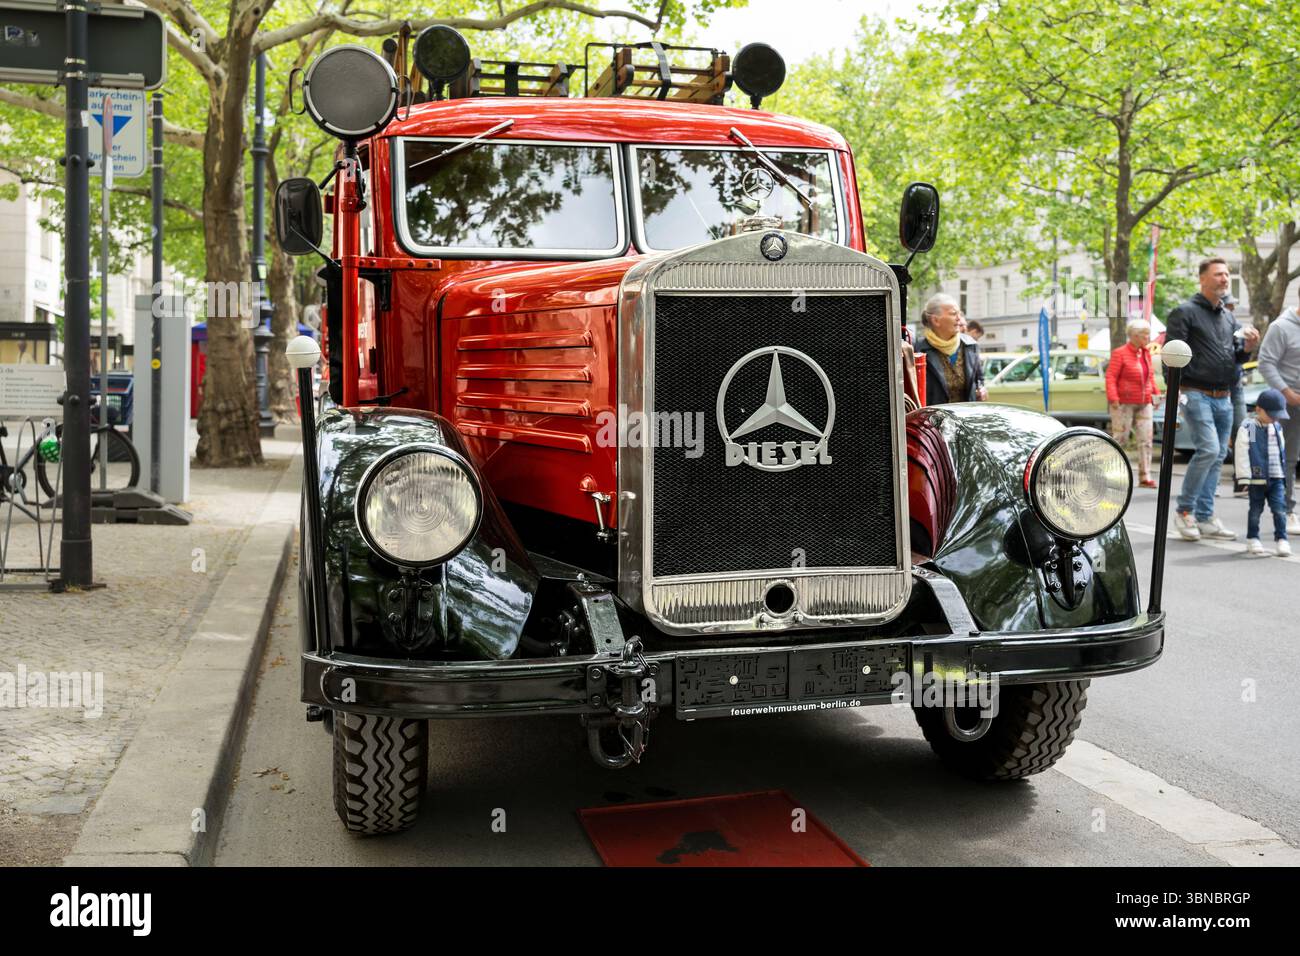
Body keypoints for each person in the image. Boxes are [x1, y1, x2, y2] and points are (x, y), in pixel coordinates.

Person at [1166, 257, 1259, 541]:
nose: (1225, 278)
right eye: (1219, 274)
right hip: (1196, 393)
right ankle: (1184, 511)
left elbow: (1235, 358)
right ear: (1203, 278)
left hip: (1224, 397)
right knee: (1208, 450)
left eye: (1227, 274)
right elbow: (1171, 355)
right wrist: (1175, 392)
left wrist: (1249, 349)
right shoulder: (1184, 313)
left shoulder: (1228, 316)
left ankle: (1206, 517)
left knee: (1218, 455)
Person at [1256, 289, 1300, 533]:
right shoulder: (1281, 327)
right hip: (1290, 403)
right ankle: (1286, 510)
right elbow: (1266, 363)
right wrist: (1286, 392)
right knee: (1288, 459)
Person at [1234, 388, 1291, 557]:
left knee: (1280, 509)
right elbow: (1244, 450)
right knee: (1255, 510)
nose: (1275, 417)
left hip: (1277, 476)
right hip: (1257, 478)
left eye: (1277, 414)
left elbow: (1281, 450)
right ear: (1258, 409)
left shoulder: (1277, 426)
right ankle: (1253, 538)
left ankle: (1282, 539)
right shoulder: (1251, 427)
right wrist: (1244, 477)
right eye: (1271, 413)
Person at [1106, 319, 1161, 488]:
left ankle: (1145, 477)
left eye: (1147, 334)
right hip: (1123, 403)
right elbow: (1111, 377)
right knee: (1120, 438)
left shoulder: (1145, 353)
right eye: (1144, 334)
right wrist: (1113, 398)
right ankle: (1112, 475)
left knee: (1146, 439)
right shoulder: (1120, 353)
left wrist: (1156, 394)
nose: (1147, 337)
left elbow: (1150, 376)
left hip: (1144, 402)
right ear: (1134, 336)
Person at [915, 294, 985, 404]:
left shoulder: (970, 345)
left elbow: (979, 379)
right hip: (933, 419)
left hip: (965, 417)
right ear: (935, 320)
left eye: (960, 314)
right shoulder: (917, 350)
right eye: (953, 314)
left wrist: (981, 389)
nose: (959, 319)